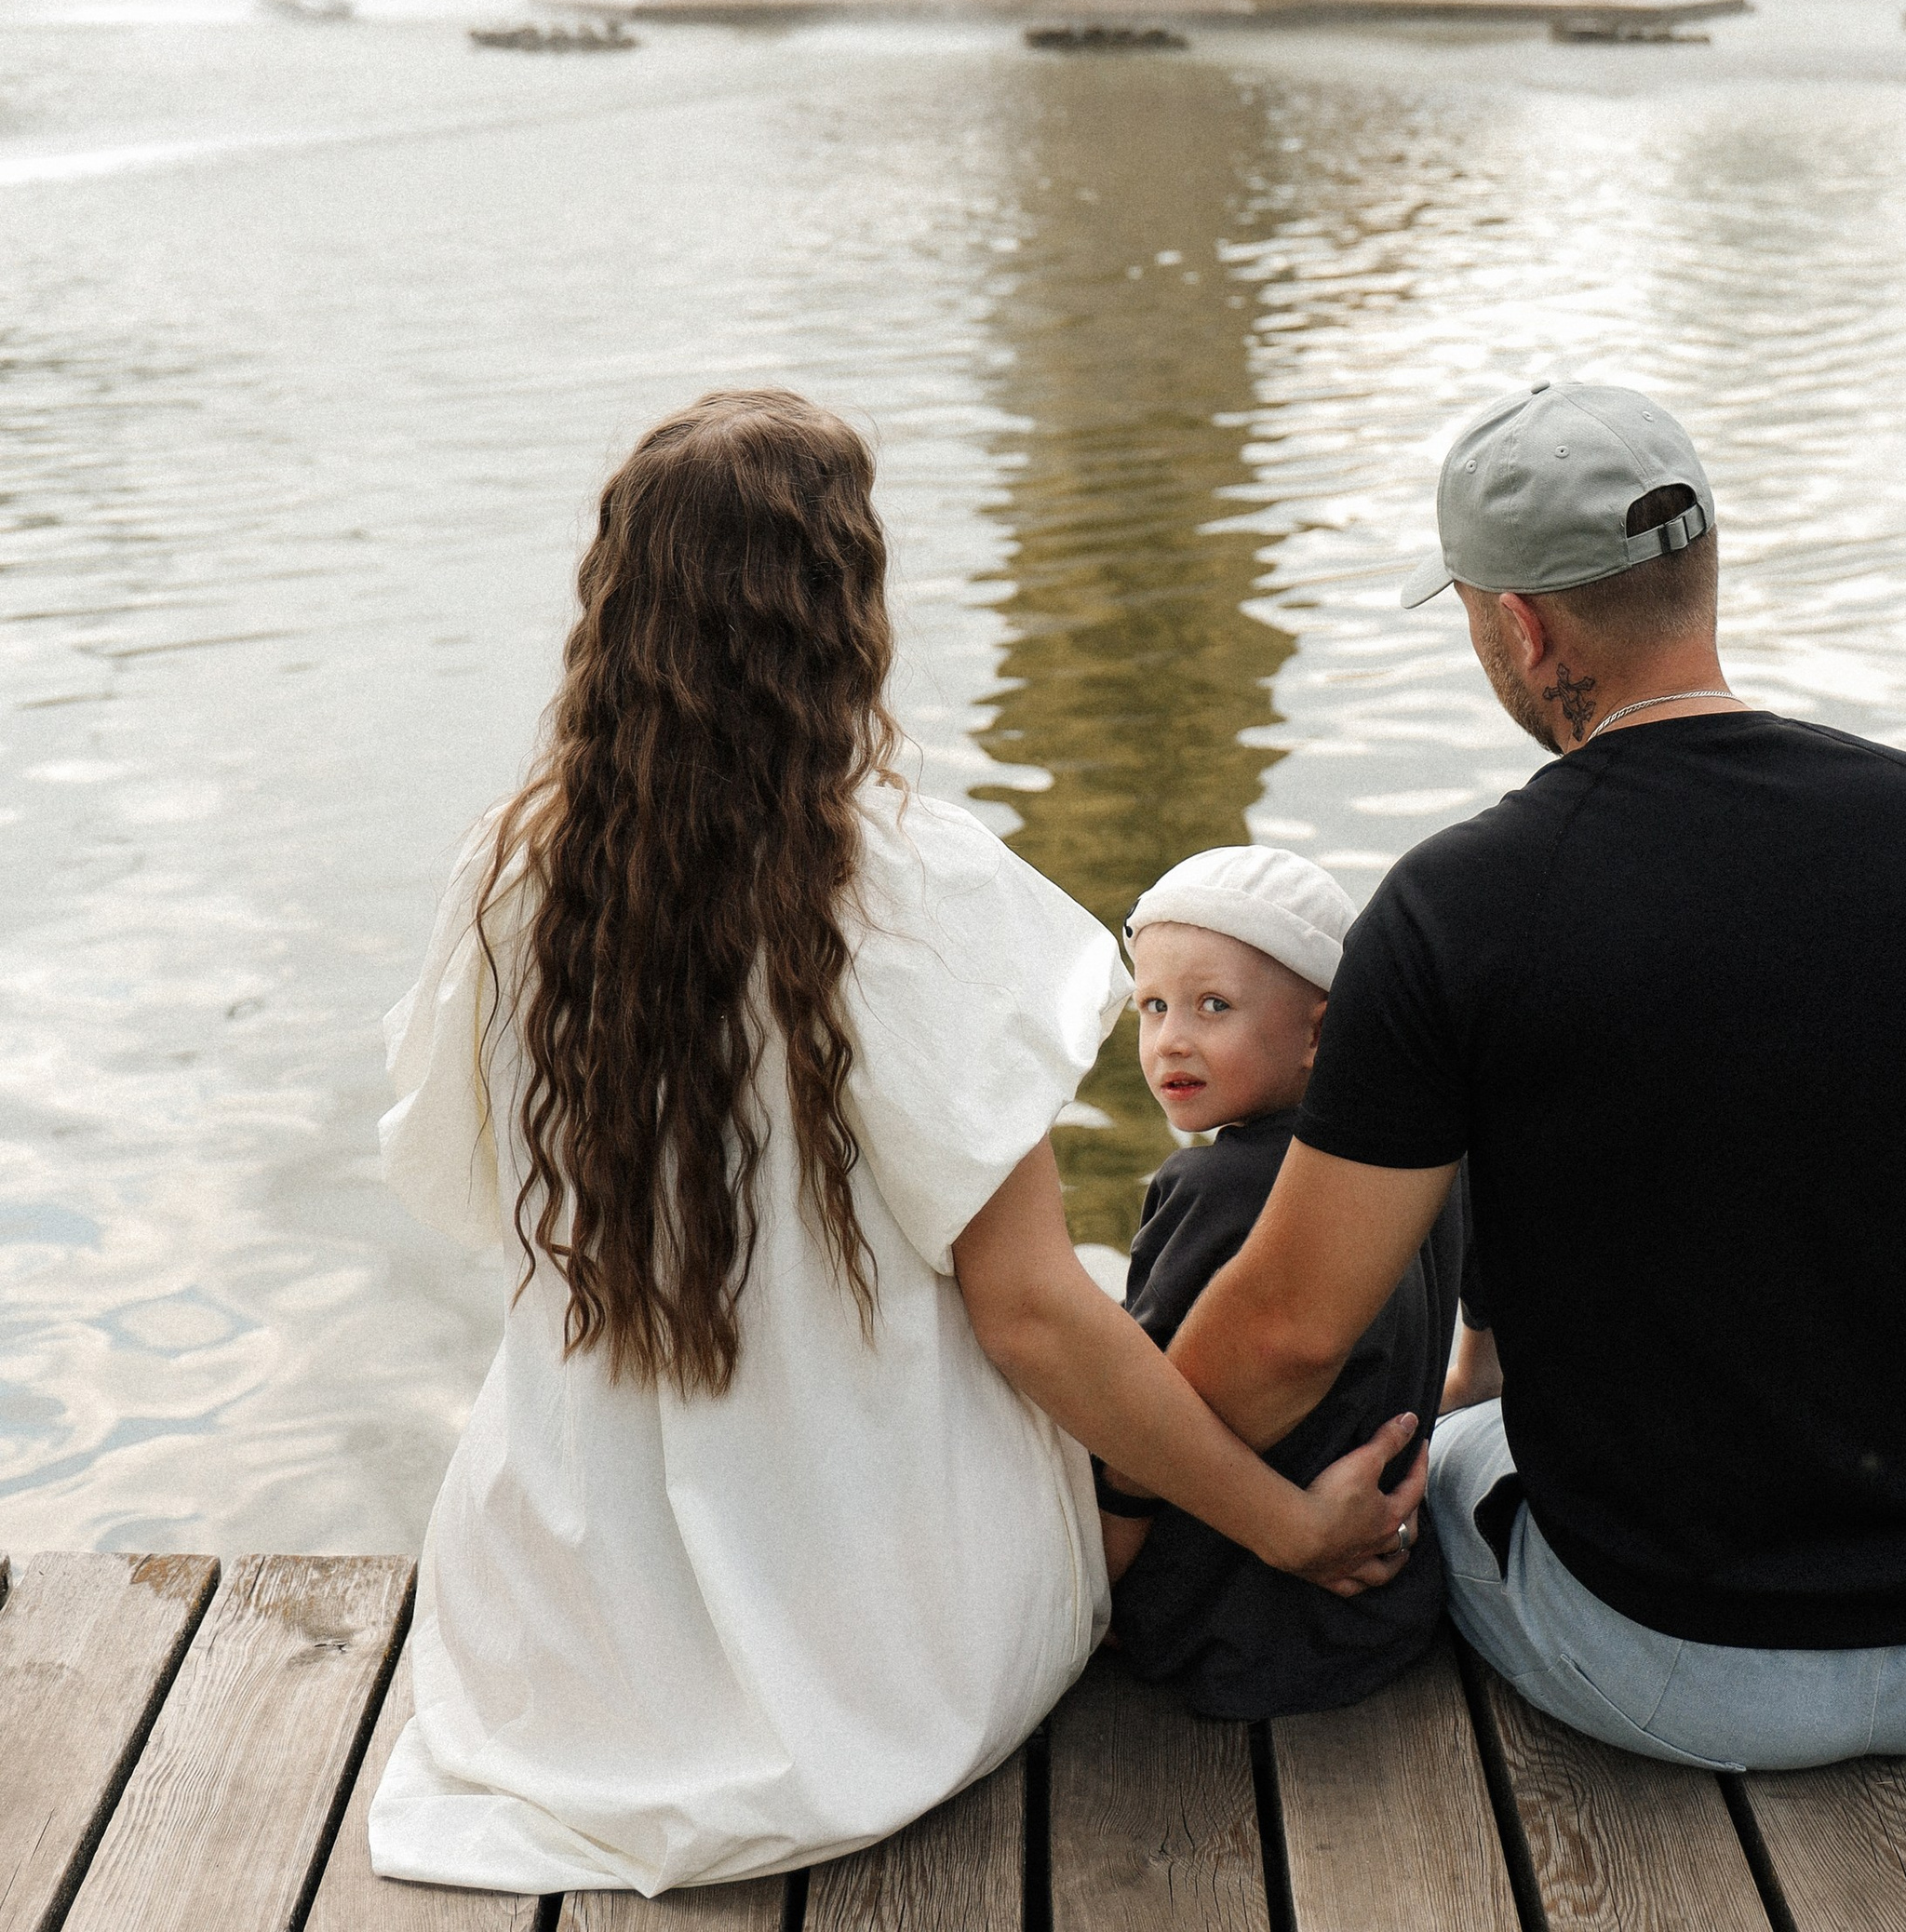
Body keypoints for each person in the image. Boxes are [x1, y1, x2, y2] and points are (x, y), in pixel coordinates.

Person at [368, 390, 1424, 1899]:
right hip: (871, 1668)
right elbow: (1032, 1317)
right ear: (842, 615)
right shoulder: (899, 886)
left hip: (568, 1631)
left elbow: (467, 1193)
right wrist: (1291, 1529)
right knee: (1117, 1288)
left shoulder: (519, 868)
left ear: (617, 610)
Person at [1166, 379, 1906, 1773]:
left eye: (1473, 615)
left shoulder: (1453, 910)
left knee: (1457, 1450)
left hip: (1677, 1667)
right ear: (1698, 573)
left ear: (1525, 630)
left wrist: (1116, 1471)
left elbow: (1288, 1337)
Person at [1098, 846, 1463, 1719]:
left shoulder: (1216, 1189)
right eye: (1151, 1008)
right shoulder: (1428, 1159)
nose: (1170, 1040)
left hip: (1229, 1632)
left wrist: (1090, 1588)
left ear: (1319, 1032)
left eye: (1212, 1006)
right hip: (1376, 1615)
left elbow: (1132, 1418)